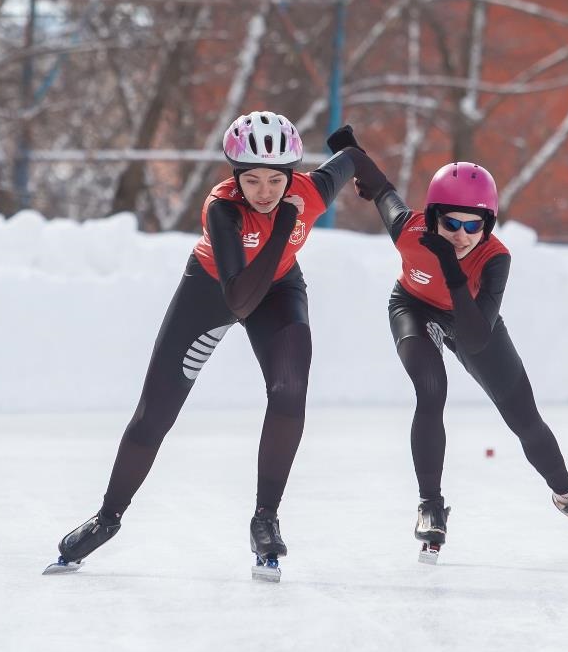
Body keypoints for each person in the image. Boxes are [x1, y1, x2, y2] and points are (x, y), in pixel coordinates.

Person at [50, 112, 358, 575]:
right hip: (215, 288)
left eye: (277, 179)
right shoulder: (223, 208)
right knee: (155, 412)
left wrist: (382, 192)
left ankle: (265, 519)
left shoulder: (312, 190)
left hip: (278, 289)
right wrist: (286, 221)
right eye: (252, 179)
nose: (265, 191)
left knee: (290, 388)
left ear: (292, 174)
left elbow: (351, 158)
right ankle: (107, 518)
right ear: (235, 178)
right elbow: (238, 296)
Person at [327, 129, 568, 556]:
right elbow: (379, 185)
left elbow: (474, 335)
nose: (462, 234)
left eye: (475, 224)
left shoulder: (495, 258)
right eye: (451, 223)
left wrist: (450, 265)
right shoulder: (407, 229)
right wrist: (348, 150)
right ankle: (431, 506)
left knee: (524, 419)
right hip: (413, 308)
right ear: (432, 218)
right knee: (431, 390)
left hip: (471, 319)